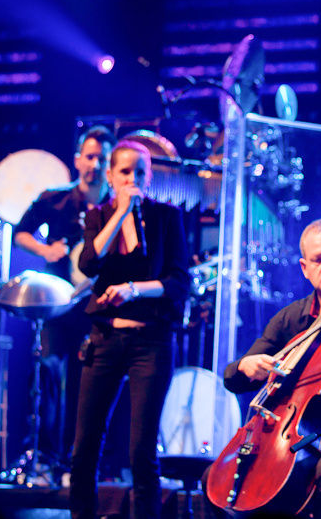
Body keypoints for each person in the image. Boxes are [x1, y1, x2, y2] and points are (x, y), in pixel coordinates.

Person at [215, 218, 321, 518]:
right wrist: (247, 365)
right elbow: (233, 379)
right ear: (305, 268)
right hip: (290, 435)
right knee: (217, 481)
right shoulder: (291, 319)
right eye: (317, 259)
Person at [69, 140, 189, 519]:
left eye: (140, 172)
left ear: (149, 176)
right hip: (105, 340)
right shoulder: (98, 216)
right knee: (85, 446)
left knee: (141, 451)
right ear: (110, 175)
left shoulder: (166, 217)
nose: (132, 179)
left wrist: (133, 289)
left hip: (150, 342)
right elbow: (89, 264)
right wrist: (120, 213)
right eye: (125, 172)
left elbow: (178, 281)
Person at [13, 125, 116, 468]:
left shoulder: (116, 205)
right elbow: (20, 233)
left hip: (96, 306)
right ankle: (42, 456)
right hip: (58, 304)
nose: (95, 164)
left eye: (102, 159)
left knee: (86, 381)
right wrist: (45, 249)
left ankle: (79, 461)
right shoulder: (54, 198)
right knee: (48, 374)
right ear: (77, 160)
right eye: (90, 157)